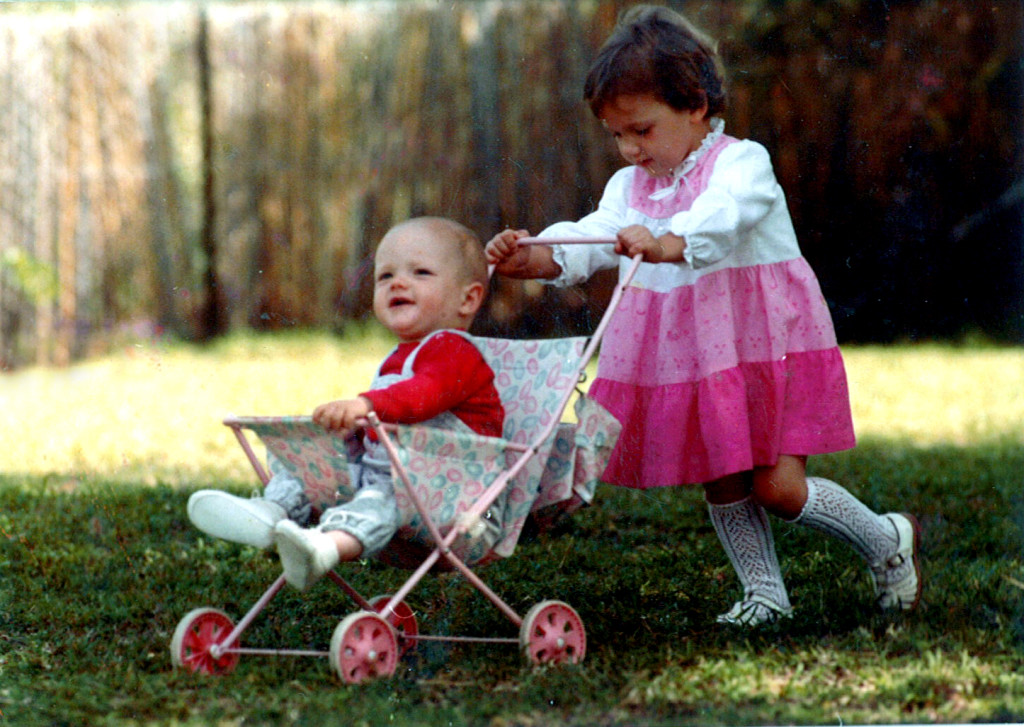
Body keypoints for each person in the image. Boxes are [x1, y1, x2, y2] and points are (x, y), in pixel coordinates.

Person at [485, 5, 921, 626]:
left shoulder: (743, 164)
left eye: (641, 130)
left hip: (768, 343)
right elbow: (593, 236)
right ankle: (765, 593)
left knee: (778, 487)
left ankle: (885, 542)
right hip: (699, 355)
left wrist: (668, 242)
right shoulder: (629, 187)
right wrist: (537, 256)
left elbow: (723, 215)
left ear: (695, 107)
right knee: (723, 474)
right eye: (617, 135)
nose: (630, 149)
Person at [188, 216, 504, 591]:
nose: (398, 282)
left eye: (420, 272)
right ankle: (270, 512)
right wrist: (352, 431)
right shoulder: (399, 357)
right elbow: (393, 415)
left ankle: (323, 547)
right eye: (385, 276)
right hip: (396, 481)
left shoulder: (456, 351)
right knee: (315, 463)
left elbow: (422, 397)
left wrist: (365, 406)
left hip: (453, 503)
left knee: (379, 499)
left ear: (467, 299)